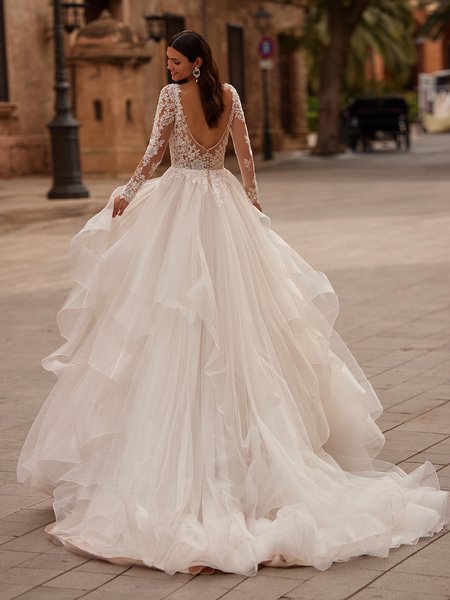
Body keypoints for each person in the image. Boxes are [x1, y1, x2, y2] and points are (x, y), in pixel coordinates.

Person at [17, 30, 447, 577]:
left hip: (180, 205)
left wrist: (126, 190)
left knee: (176, 311)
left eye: (175, 61)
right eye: (167, 62)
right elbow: (243, 153)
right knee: (233, 312)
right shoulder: (230, 93)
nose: (169, 69)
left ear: (195, 63)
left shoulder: (173, 98)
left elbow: (154, 152)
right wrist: (251, 199)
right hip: (221, 206)